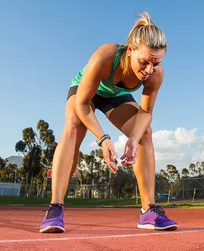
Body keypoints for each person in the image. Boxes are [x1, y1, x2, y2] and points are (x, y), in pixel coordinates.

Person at [40, 12, 178, 233]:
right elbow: (83, 104)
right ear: (130, 50)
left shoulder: (155, 74)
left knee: (145, 133)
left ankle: (148, 211)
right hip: (86, 92)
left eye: (156, 62)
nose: (149, 70)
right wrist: (104, 139)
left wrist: (133, 139)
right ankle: (55, 208)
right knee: (74, 128)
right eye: (144, 62)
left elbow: (145, 113)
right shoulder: (106, 55)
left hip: (115, 96)